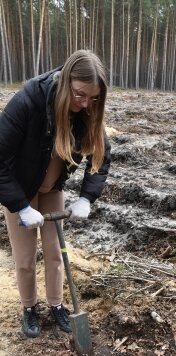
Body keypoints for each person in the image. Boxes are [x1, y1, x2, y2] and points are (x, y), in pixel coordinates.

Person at [0, 50, 111, 338]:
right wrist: (21, 206)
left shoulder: (87, 111)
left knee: (55, 253)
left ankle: (56, 305)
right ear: (66, 81)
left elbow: (101, 157)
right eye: (79, 94)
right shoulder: (29, 100)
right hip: (20, 189)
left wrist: (87, 197)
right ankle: (28, 308)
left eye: (93, 98)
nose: (85, 103)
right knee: (25, 258)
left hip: (51, 188)